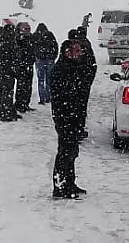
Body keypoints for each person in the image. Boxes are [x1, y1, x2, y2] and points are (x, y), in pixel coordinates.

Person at [49, 40, 87, 198]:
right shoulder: (60, 70)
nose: (79, 54)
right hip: (65, 117)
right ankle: (60, 186)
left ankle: (70, 182)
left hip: (75, 117)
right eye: (76, 51)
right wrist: (68, 114)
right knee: (64, 152)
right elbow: (62, 96)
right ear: (67, 52)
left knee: (72, 152)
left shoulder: (75, 68)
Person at [73, 27, 97, 140]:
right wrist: (88, 81)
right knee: (81, 107)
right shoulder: (86, 45)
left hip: (76, 82)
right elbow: (93, 65)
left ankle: (75, 128)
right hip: (83, 83)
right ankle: (79, 128)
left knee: (74, 107)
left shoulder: (74, 46)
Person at [33, 23, 59, 105]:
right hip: (49, 60)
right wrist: (53, 57)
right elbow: (55, 46)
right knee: (49, 80)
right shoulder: (50, 35)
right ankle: (49, 97)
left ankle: (42, 98)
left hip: (39, 60)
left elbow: (32, 48)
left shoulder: (35, 36)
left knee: (40, 80)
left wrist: (36, 57)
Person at [13, 22, 36, 112]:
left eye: (28, 28)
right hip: (22, 65)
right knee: (22, 85)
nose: (27, 30)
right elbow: (18, 51)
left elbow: (33, 49)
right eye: (25, 29)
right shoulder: (18, 38)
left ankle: (25, 103)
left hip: (29, 64)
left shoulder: (31, 38)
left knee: (28, 85)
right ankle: (20, 104)